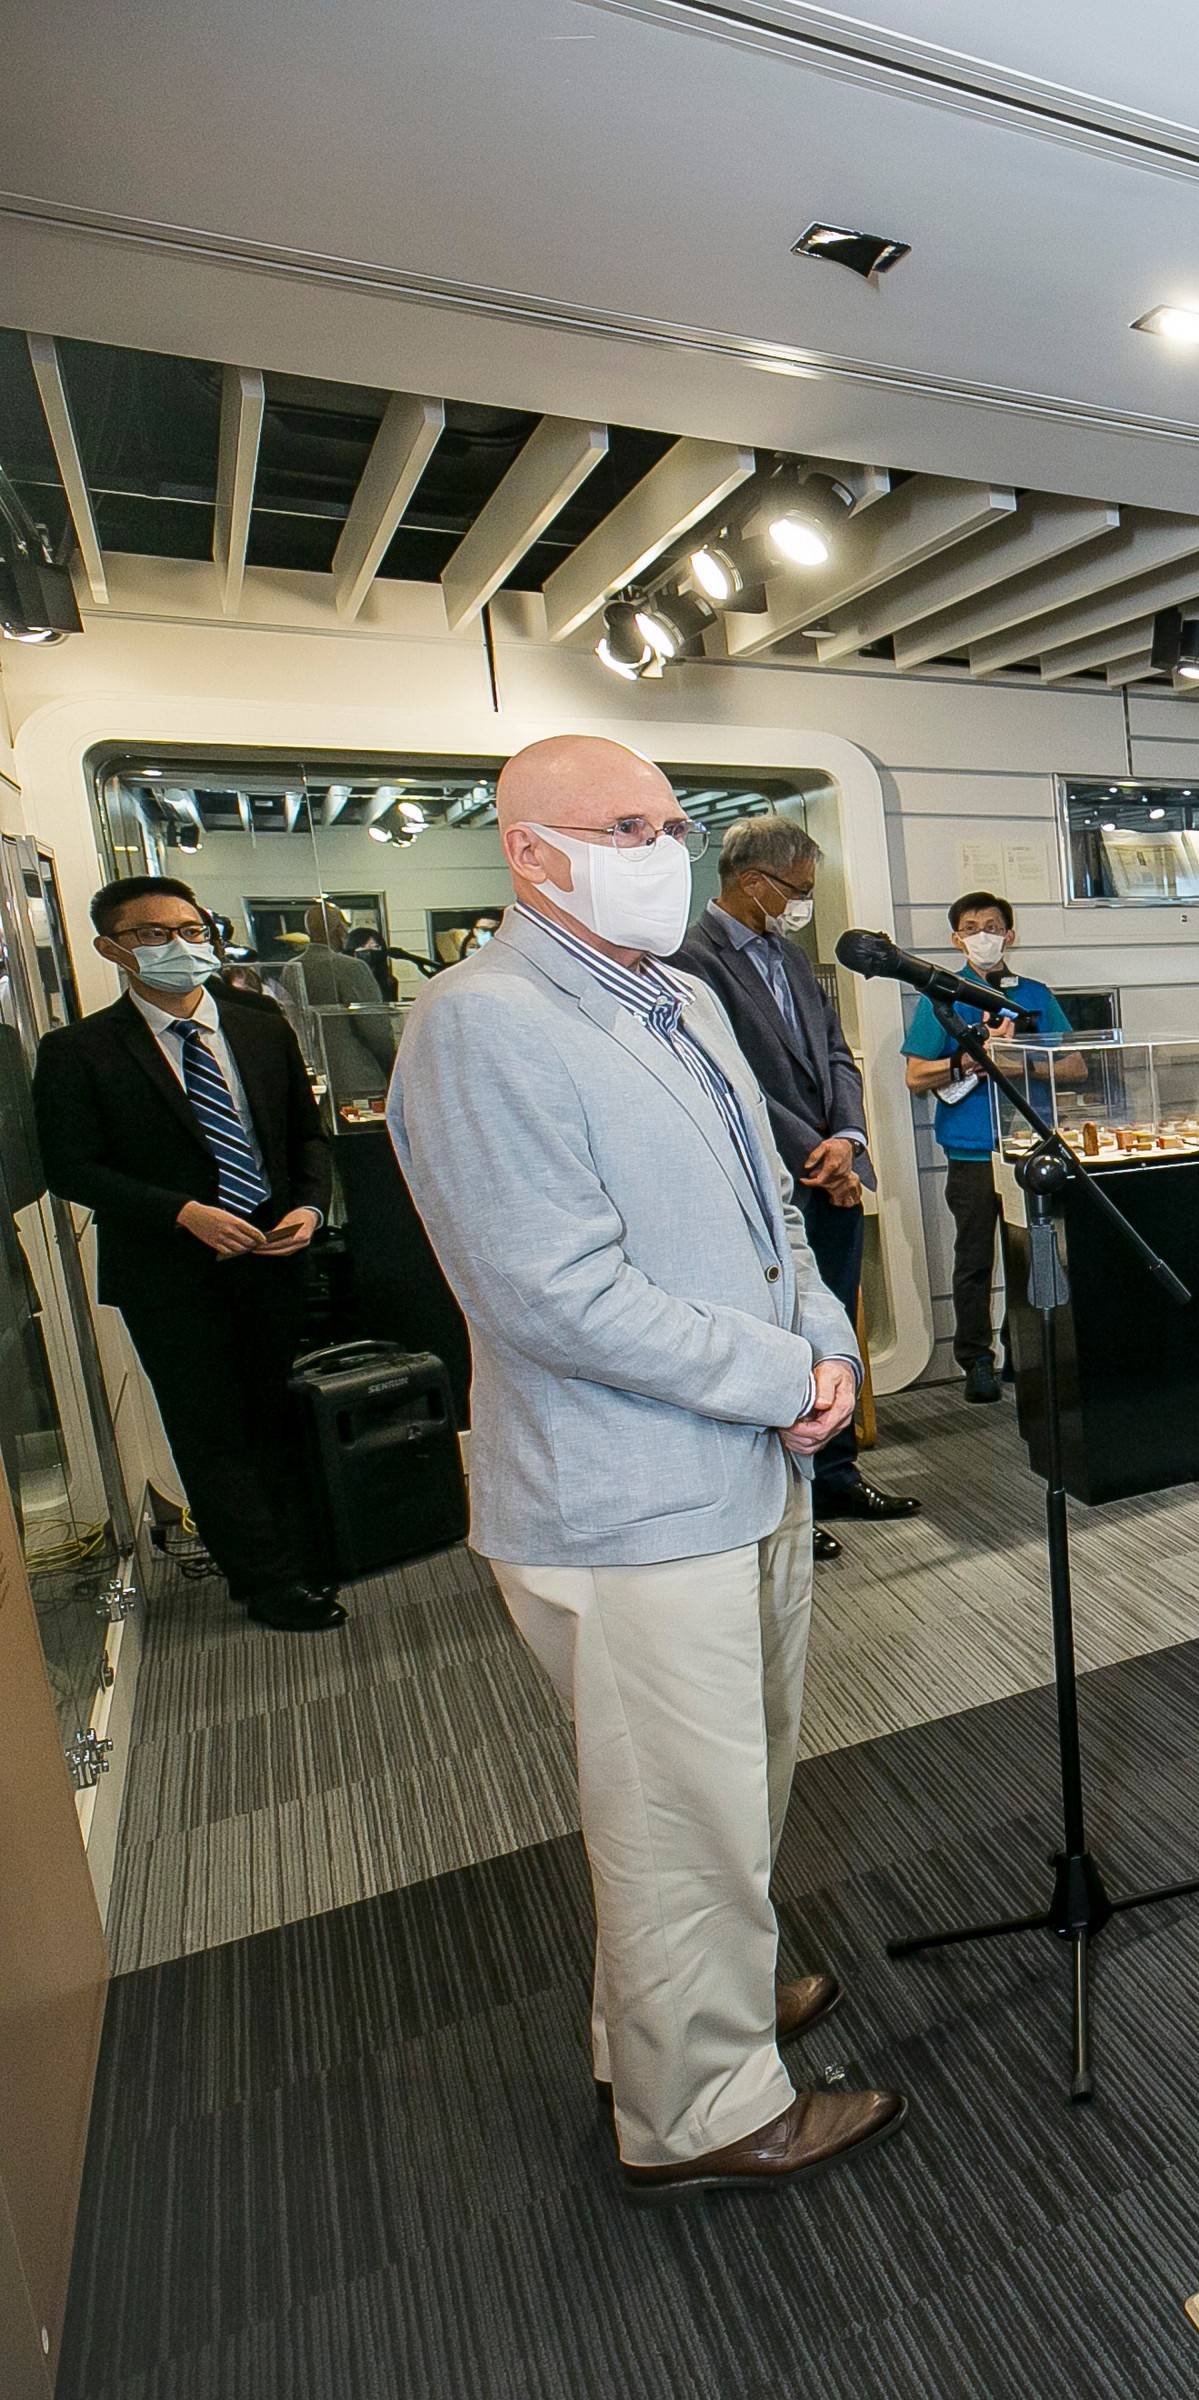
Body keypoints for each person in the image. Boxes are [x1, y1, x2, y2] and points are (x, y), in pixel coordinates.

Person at [388, 735, 899, 2196]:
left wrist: (830, 1351)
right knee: (677, 1815)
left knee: (727, 1789)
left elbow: (773, 1222)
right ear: (529, 855)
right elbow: (550, 1292)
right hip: (624, 1495)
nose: (659, 846)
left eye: (669, 822)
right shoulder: (480, 1022)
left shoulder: (681, 1000)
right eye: (621, 825)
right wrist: (778, 1376)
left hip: (743, 1469)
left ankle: (677, 2019)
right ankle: (706, 2113)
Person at [34, 875, 339, 1633]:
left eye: (192, 929)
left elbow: (306, 1132)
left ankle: (308, 1555)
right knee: (210, 1427)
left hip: (274, 1254)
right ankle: (266, 1582)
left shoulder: (259, 1023)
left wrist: (307, 1204)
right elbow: (69, 1166)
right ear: (112, 949)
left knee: (279, 1411)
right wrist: (183, 1213)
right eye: (153, 935)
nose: (180, 946)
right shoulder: (80, 1050)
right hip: (170, 1274)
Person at [670, 817, 917, 1558]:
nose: (804, 904)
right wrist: (816, 1151)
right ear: (755, 882)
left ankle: (837, 1472)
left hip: (831, 1171)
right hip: (768, 1177)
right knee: (781, 1339)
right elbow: (729, 1078)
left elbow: (836, 1054)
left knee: (835, 1327)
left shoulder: (790, 954)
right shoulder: (688, 962)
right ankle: (793, 1499)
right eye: (800, 891)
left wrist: (849, 1139)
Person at [901, 891, 1073, 1403]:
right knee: (974, 1259)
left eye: (993, 926)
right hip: (971, 1152)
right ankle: (975, 1359)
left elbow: (1075, 1066)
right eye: (972, 928)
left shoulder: (1036, 996)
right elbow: (915, 1075)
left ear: (1010, 935)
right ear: (956, 938)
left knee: (1032, 1256)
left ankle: (1026, 1353)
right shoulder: (942, 997)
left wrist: (1014, 1060)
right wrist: (970, 1062)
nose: (983, 936)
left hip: (1030, 1151)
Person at [282, 899, 397, 1112]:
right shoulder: (351, 967)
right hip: (359, 1078)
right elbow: (375, 1029)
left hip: (317, 1077)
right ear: (339, 929)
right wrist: (394, 1066)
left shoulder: (291, 968)